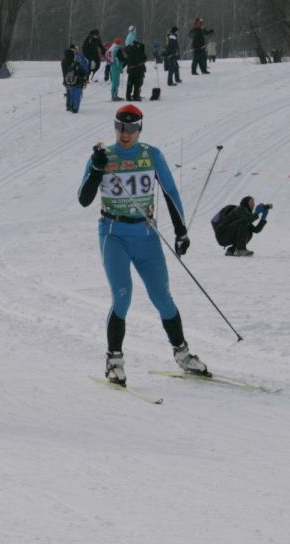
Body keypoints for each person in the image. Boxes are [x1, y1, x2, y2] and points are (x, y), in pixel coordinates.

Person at [77, 104, 208, 386]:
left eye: (132, 129)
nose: (126, 135)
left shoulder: (151, 155)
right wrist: (97, 169)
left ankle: (183, 354)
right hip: (114, 234)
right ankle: (113, 361)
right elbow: (83, 198)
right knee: (122, 295)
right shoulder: (103, 156)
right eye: (121, 128)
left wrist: (181, 230)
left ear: (140, 129)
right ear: (115, 128)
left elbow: (169, 191)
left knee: (162, 296)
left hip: (146, 235)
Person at [66, 47, 90, 113]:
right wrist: (85, 81)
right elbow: (84, 74)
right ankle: (75, 109)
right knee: (77, 96)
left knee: (72, 96)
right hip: (78, 84)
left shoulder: (71, 66)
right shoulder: (80, 67)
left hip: (71, 83)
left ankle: (71, 106)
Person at [61, 44, 76, 111]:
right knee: (71, 91)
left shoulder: (65, 58)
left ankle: (68, 105)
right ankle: (70, 105)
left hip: (65, 77)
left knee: (68, 90)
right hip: (70, 77)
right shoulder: (71, 58)